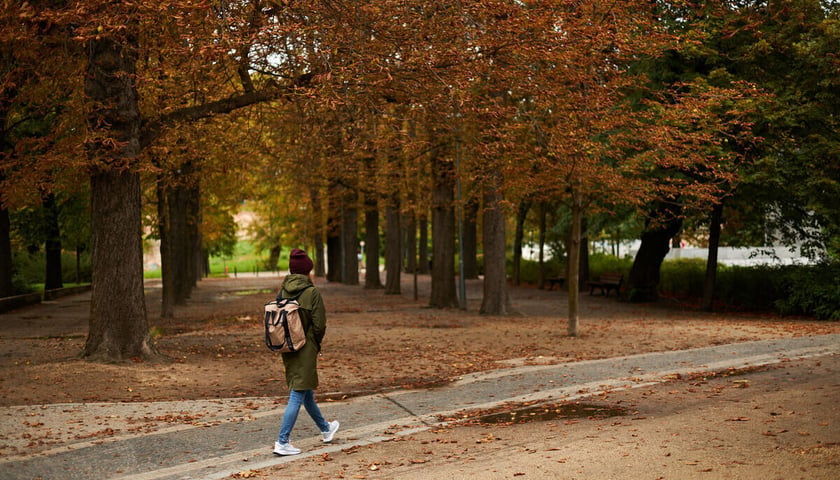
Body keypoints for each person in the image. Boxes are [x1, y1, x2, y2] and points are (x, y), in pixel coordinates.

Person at [273, 248, 339, 456]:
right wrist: (314, 344)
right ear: (307, 271)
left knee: (305, 390)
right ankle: (282, 441)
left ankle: (326, 429)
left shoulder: (282, 291)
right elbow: (320, 325)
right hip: (305, 347)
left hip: (287, 346)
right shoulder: (311, 293)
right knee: (298, 392)